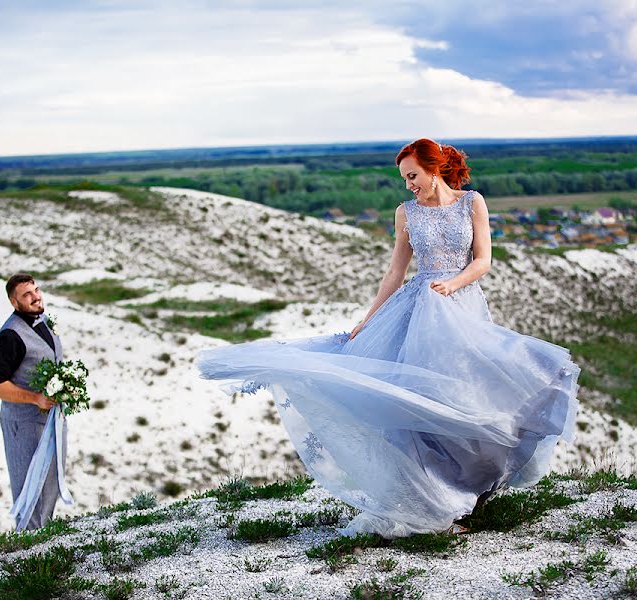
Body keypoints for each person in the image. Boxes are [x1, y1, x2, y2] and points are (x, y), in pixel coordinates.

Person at [196, 138, 580, 538]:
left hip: (462, 308)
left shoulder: (472, 203)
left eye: (412, 176)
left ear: (434, 168)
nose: (408, 185)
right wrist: (368, 320)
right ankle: (432, 501)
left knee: (473, 395)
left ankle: (470, 492)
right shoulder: (406, 214)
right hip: (418, 310)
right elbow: (395, 273)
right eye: (404, 179)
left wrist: (453, 284)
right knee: (418, 404)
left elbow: (483, 260)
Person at [0, 273, 67, 530]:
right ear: (14, 302)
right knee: (29, 486)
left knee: (49, 482)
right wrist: (34, 398)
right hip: (23, 423)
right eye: (27, 295)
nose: (35, 297)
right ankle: (29, 547)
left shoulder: (42, 321)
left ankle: (44, 538)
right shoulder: (10, 335)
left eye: (36, 290)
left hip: (50, 420)